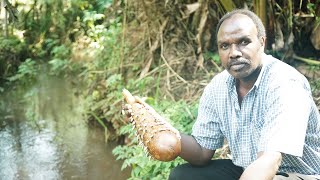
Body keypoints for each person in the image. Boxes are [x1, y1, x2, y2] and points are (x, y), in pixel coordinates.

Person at [167, 9, 320, 180]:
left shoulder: (285, 83)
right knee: (183, 175)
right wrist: (163, 133)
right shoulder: (218, 87)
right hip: (250, 170)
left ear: (262, 42)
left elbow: (270, 161)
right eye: (225, 46)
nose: (234, 53)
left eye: (243, 42)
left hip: (299, 175)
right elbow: (202, 152)